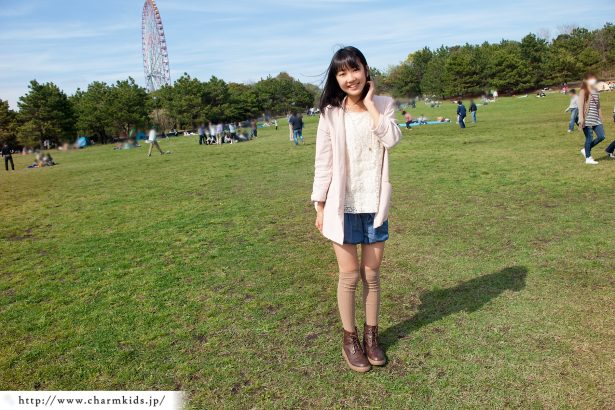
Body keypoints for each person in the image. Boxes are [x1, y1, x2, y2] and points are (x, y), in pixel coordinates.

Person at [311, 46, 402, 373]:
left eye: (355, 70)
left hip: (374, 204)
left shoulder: (384, 104)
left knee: (372, 275)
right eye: (342, 73)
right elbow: (323, 162)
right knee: (349, 275)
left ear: (365, 70)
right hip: (342, 206)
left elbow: (392, 140)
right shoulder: (330, 113)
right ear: (336, 78)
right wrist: (320, 205)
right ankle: (350, 340)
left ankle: (371, 337)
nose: (350, 78)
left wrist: (370, 104)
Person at [578, 73, 611, 164]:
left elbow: (598, 105)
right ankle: (588, 158)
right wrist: (581, 118)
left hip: (596, 118)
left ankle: (585, 149)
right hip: (587, 118)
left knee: (601, 136)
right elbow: (580, 105)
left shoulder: (596, 90)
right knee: (589, 138)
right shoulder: (583, 91)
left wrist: (601, 117)